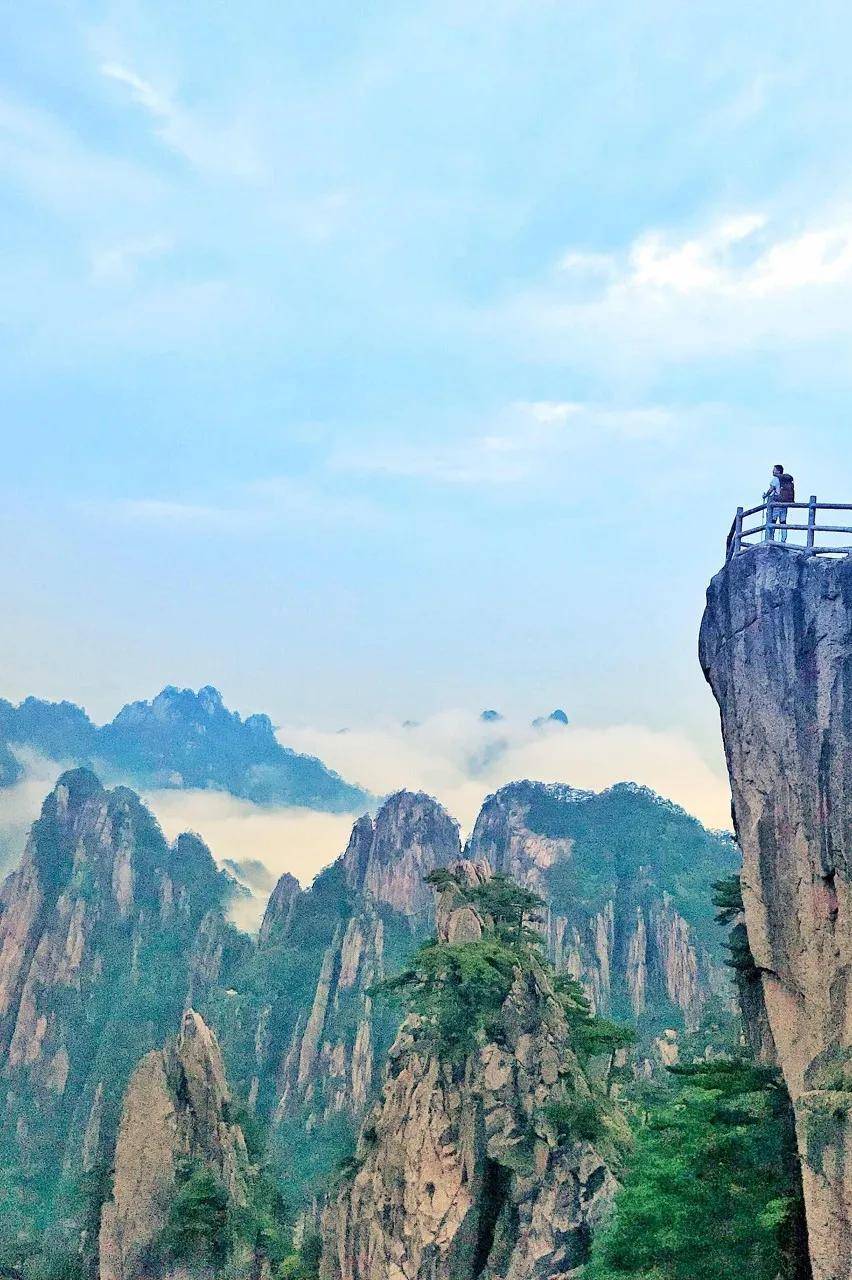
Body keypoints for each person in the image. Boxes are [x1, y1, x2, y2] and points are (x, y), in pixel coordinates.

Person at [764, 464, 795, 542]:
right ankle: (783, 540)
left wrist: (765, 495)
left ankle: (771, 538)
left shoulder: (775, 479)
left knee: (773, 520)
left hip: (777, 503)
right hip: (784, 503)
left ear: (778, 471)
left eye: (774, 469)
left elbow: (771, 489)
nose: (772, 471)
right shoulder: (785, 480)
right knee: (783, 521)